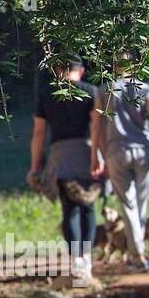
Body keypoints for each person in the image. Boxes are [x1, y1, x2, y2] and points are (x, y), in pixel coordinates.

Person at [90, 56, 149, 271]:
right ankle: (136, 253)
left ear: (113, 68)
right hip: (145, 152)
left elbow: (96, 127)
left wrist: (97, 156)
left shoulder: (104, 91)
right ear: (135, 67)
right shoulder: (145, 89)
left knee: (128, 204)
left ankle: (137, 254)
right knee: (139, 203)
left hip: (117, 152)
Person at [28, 57, 100, 283]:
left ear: (58, 69)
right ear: (82, 70)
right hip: (85, 153)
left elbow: (39, 134)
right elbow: (98, 127)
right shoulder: (91, 92)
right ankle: (86, 259)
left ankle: (75, 260)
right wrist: (99, 157)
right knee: (88, 207)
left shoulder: (47, 94)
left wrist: (34, 168)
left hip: (60, 156)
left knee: (70, 209)